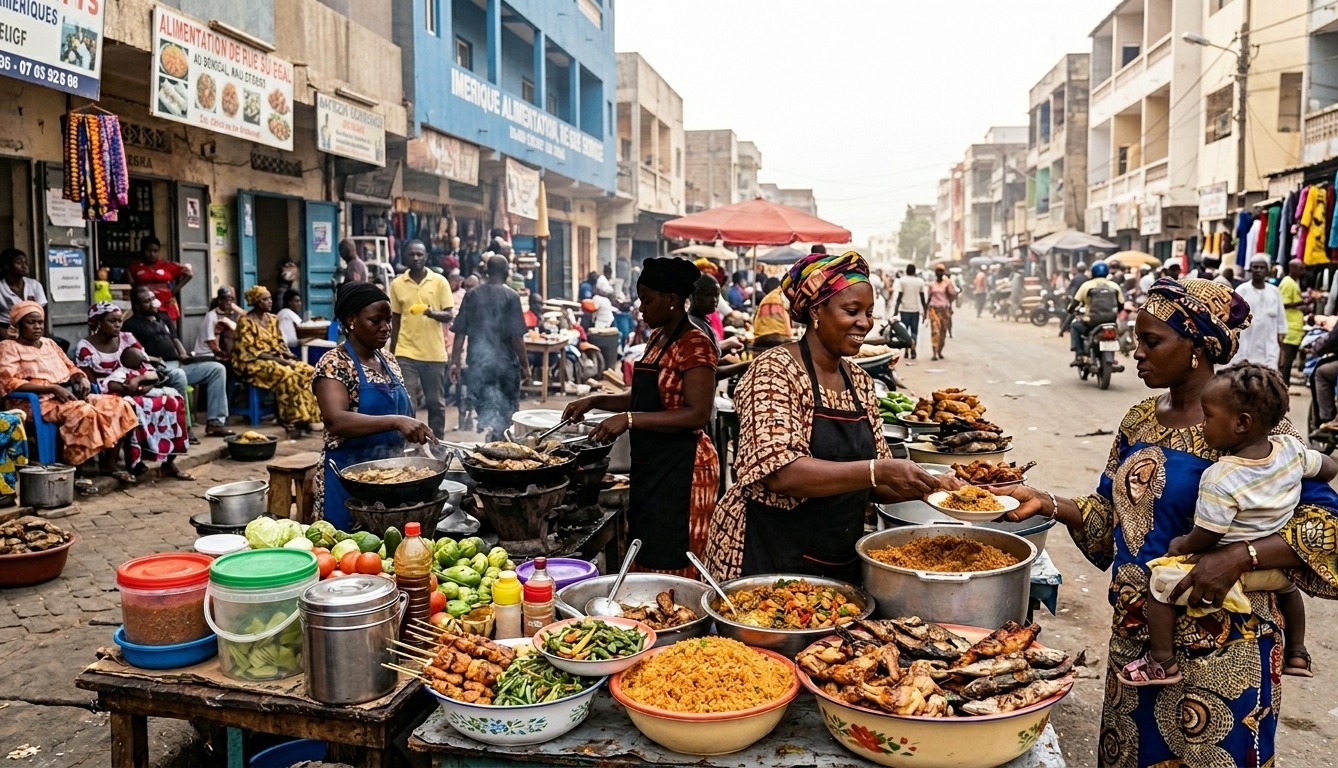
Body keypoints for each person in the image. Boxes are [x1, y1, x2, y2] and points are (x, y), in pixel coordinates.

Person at [1004, 278, 1338, 766]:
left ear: (1197, 347)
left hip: (1227, 646)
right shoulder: (1139, 420)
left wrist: (1238, 556)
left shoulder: (1255, 426)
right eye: (1136, 340)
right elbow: (1109, 517)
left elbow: (1324, 524)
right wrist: (1047, 502)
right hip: (1139, 647)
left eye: (1151, 341)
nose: (1136, 352)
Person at [704, 251, 956, 580]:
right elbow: (781, 473)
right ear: (816, 311)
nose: (864, 323)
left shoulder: (860, 382)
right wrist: (877, 469)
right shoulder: (775, 371)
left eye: (868, 312)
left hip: (836, 557)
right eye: (852, 311)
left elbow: (877, 483)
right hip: (766, 554)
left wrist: (936, 489)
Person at [1117, 363, 1321, 686]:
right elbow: (1326, 468)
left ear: (1242, 423)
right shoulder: (1290, 450)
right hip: (1275, 573)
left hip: (1235, 638)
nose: (1203, 425)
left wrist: (1183, 545)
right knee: (1290, 590)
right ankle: (1298, 652)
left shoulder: (1221, 475)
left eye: (1208, 417)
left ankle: (1161, 660)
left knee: (1161, 583)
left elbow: (1210, 532)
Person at [564, 257, 718, 577]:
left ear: (671, 300)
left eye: (647, 300)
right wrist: (595, 400)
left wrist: (630, 419)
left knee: (674, 554)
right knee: (647, 547)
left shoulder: (695, 343)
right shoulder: (656, 337)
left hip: (685, 468)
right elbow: (643, 395)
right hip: (653, 464)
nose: (641, 308)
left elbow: (698, 414)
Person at [314, 282, 433, 530]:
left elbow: (404, 411)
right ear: (351, 321)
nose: (386, 328)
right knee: (347, 549)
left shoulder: (388, 359)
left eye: (388, 320)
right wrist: (396, 421)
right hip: (347, 481)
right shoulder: (334, 363)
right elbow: (335, 420)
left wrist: (417, 440)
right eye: (375, 321)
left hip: (391, 478)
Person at [0, 302, 137, 472]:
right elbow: (8, 382)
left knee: (119, 405)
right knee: (84, 412)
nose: (37, 327)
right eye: (31, 322)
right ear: (18, 325)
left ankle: (109, 465)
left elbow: (70, 367)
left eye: (40, 322)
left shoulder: (49, 344)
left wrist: (81, 377)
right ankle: (75, 466)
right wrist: (52, 388)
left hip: (64, 397)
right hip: (34, 403)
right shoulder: (9, 347)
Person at [74, 302, 193, 479]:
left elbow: (148, 368)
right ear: (97, 322)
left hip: (138, 386)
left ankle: (168, 461)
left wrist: (141, 383)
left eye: (119, 321)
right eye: (112, 321)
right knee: (128, 406)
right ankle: (125, 462)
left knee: (173, 400)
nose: (117, 325)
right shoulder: (85, 348)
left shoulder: (127, 338)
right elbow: (90, 383)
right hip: (105, 393)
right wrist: (123, 388)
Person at [123, 286, 234, 438]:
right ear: (137, 306)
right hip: (156, 371)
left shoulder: (163, 317)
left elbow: (174, 338)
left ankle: (216, 423)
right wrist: (156, 360)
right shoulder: (131, 325)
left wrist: (183, 354)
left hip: (178, 365)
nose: (153, 303)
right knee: (179, 375)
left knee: (217, 369)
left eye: (153, 299)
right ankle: (184, 427)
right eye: (147, 301)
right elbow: (134, 355)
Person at [449, 255, 531, 441]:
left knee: (487, 409)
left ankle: (494, 440)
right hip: (506, 366)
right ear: (507, 273)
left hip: (479, 366)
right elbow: (517, 337)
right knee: (507, 413)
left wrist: (455, 362)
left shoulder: (472, 295)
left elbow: (460, 333)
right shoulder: (512, 296)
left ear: (486, 272)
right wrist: (525, 365)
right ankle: (500, 442)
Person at [233, 285, 321, 433]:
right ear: (256, 302)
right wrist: (283, 361)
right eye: (265, 299)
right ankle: (289, 417)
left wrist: (288, 354)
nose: (270, 301)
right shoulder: (245, 322)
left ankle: (309, 416)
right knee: (288, 373)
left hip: (275, 359)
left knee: (308, 370)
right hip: (251, 362)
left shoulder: (273, 319)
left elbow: (280, 342)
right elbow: (252, 351)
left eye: (270, 298)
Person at [389, 240, 454, 439]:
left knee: (435, 403)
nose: (415, 258)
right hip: (406, 351)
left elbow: (449, 315)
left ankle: (437, 443)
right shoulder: (397, 284)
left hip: (434, 353)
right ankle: (410, 445)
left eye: (419, 254)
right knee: (407, 402)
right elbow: (395, 320)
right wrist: (391, 354)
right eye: (411, 254)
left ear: (426, 257)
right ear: (405, 257)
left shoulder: (440, 282)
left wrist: (431, 313)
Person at [1231, 256, 1286, 368]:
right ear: (1250, 269)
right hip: (1245, 348)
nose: (1258, 270)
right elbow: (1231, 319)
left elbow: (1281, 322)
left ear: (1267, 270)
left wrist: (1282, 352)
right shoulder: (1242, 290)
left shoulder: (1274, 292)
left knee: (1269, 376)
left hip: (1269, 350)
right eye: (1255, 267)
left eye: (1262, 267)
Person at [1068, 261, 1123, 365]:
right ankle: (1111, 356)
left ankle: (1080, 355)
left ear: (1092, 272)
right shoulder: (1115, 286)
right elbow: (1121, 305)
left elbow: (1074, 303)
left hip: (1092, 321)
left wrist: (1070, 310)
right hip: (1111, 321)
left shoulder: (1087, 285)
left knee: (1075, 325)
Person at [128, 236, 192, 325]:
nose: (152, 254)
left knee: (170, 331)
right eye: (148, 251)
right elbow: (133, 285)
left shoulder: (167, 265)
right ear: (143, 251)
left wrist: (174, 290)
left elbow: (189, 274)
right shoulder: (135, 266)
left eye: (155, 251)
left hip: (167, 305)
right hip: (146, 308)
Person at [0, 248, 47, 335]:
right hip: (6, 329)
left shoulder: (34, 285)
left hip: (32, 329)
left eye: (26, 263)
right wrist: (4, 333)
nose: (24, 266)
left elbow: (42, 312)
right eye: (19, 263)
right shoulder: (1, 288)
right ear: (7, 266)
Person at [191, 287, 240, 361]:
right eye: (226, 300)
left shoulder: (228, 314)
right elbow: (212, 343)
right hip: (207, 354)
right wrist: (225, 356)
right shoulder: (211, 316)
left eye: (231, 300)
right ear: (220, 301)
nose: (229, 302)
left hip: (216, 354)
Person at [1279, 259, 1306, 385]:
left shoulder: (1293, 282)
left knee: (1290, 358)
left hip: (1294, 328)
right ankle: (1284, 384)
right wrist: (1300, 302)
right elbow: (1282, 304)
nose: (1303, 271)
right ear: (1292, 268)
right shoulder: (1288, 283)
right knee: (1287, 359)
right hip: (1289, 328)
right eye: (1301, 268)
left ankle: (1285, 383)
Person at [891, 265, 927, 360]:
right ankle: (913, 349)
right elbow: (922, 298)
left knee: (905, 331)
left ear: (906, 271)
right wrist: (925, 310)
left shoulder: (902, 281)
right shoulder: (920, 282)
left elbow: (899, 297)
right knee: (914, 331)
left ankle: (906, 351)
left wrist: (895, 311)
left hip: (904, 310)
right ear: (914, 272)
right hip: (915, 310)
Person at [926, 265, 959, 361]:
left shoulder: (947, 283)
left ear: (943, 272)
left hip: (944, 309)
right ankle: (934, 352)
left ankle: (939, 350)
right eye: (938, 271)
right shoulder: (932, 284)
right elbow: (929, 298)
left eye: (941, 271)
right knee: (935, 331)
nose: (939, 273)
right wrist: (925, 310)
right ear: (935, 273)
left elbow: (953, 294)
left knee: (943, 331)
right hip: (934, 309)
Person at [752, 277, 792, 349]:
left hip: (760, 339)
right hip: (781, 338)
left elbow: (755, 320)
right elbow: (788, 313)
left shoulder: (765, 299)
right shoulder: (782, 294)